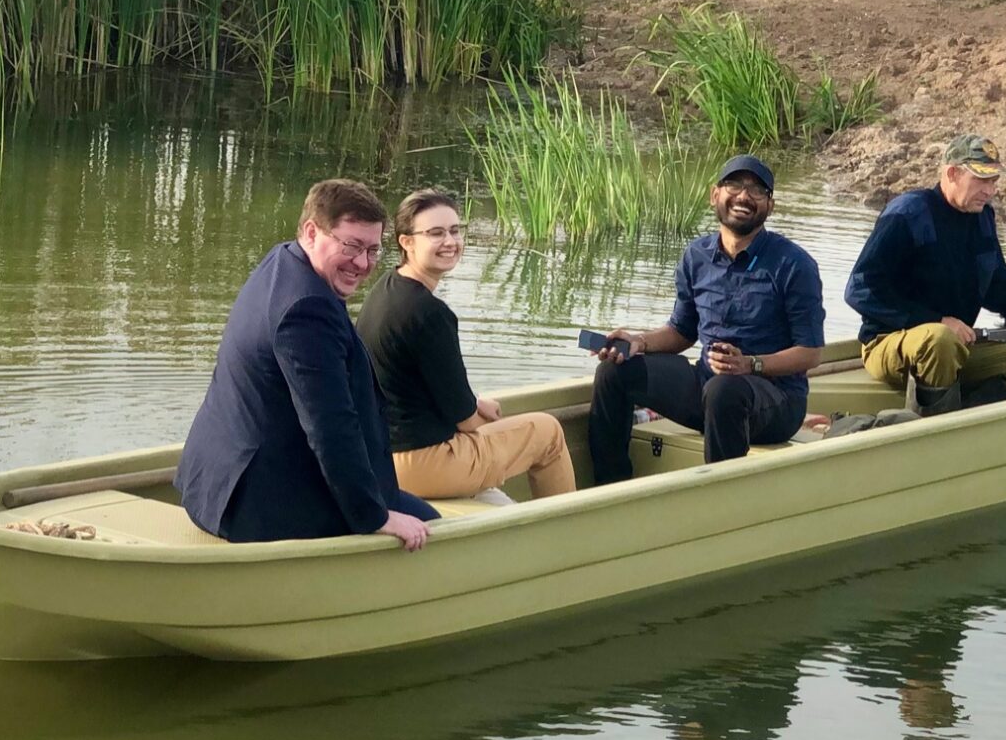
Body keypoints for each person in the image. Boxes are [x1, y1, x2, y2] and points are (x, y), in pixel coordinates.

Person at [175, 179, 439, 548]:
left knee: (407, 505)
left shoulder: (283, 261)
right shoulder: (306, 309)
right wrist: (375, 516)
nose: (362, 263)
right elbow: (330, 427)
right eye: (351, 246)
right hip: (251, 506)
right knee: (429, 525)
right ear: (312, 232)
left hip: (210, 484)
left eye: (373, 250)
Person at [587, 155, 826, 483]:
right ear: (715, 195)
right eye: (734, 185)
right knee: (614, 370)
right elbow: (682, 331)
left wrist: (750, 364)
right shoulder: (696, 256)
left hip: (776, 401)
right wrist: (639, 341)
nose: (743, 196)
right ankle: (609, 488)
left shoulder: (794, 265)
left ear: (770, 206)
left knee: (724, 390)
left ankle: (719, 499)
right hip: (707, 388)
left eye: (757, 190)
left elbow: (810, 353)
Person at [358, 188, 575, 502]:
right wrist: (477, 412)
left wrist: (473, 403)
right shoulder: (431, 314)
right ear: (407, 242)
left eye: (455, 230)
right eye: (435, 233)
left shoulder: (386, 289)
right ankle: (568, 535)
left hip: (379, 457)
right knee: (548, 432)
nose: (450, 241)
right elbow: (467, 421)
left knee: (496, 419)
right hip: (421, 465)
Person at [844, 134, 1006, 416]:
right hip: (890, 343)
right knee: (940, 340)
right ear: (952, 173)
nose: (991, 191)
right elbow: (860, 290)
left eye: (994, 181)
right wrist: (937, 321)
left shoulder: (983, 217)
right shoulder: (908, 214)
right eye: (982, 180)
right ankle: (935, 429)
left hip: (956, 345)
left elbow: (995, 284)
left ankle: (961, 415)